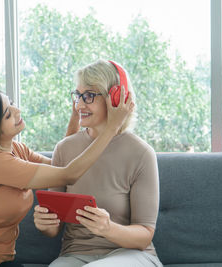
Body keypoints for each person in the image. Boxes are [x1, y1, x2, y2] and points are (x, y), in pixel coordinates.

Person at [0, 86, 133, 267]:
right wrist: (112, 127)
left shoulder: (17, 149)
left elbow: (59, 166)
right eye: (8, 114)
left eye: (12, 103)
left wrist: (75, 118)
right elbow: (68, 175)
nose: (17, 111)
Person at [33, 59, 163, 267]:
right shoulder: (64, 149)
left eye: (90, 96)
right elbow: (53, 229)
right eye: (78, 95)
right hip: (75, 255)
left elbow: (144, 234)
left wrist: (108, 228)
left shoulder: (141, 153)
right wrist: (45, 224)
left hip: (131, 255)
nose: (80, 104)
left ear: (115, 99)